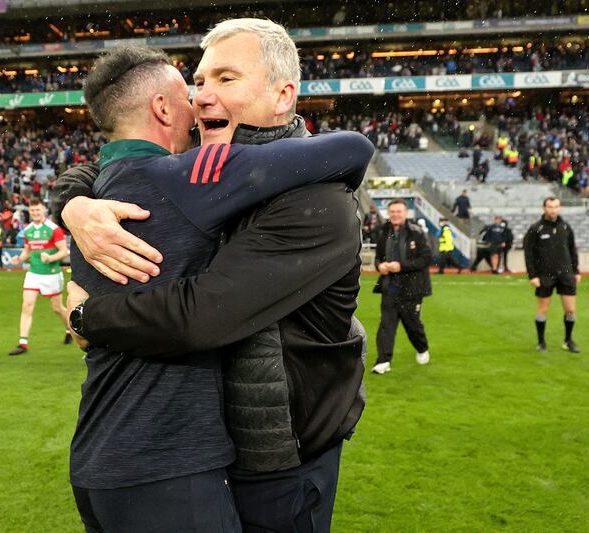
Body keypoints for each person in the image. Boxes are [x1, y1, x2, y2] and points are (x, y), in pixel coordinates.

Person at [56, 21, 370, 532]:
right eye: (199, 82)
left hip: (277, 464)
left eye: (225, 79)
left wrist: (86, 314)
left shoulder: (319, 202)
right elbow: (118, 163)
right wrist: (74, 204)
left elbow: (202, 315)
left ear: (282, 94)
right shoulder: (195, 172)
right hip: (201, 457)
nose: (202, 98)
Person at [371, 199, 432, 374]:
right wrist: (379, 266)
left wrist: (402, 266)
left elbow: (426, 258)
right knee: (386, 324)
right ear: (388, 213)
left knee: (412, 324)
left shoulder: (417, 233)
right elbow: (378, 257)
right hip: (390, 286)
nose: (395, 215)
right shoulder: (383, 232)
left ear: (405, 213)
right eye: (392, 212)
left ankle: (422, 348)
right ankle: (383, 361)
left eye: (399, 211)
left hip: (412, 288)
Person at [7, 199, 72, 356]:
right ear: (29, 212)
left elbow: (64, 251)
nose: (35, 213)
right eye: (32, 211)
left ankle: (70, 329)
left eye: (38, 210)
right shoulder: (28, 230)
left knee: (57, 308)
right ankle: (23, 343)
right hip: (33, 273)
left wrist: (50, 258)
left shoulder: (53, 229)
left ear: (44, 211)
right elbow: (27, 251)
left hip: (51, 274)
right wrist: (19, 259)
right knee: (27, 306)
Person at [523, 197, 580, 353]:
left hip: (566, 274)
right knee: (543, 309)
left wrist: (576, 271)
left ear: (560, 208)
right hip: (545, 276)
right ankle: (541, 342)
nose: (553, 210)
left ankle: (568, 341)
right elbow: (529, 254)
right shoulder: (536, 228)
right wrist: (532, 275)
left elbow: (572, 250)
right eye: (550, 207)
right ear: (544, 208)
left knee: (570, 310)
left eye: (556, 207)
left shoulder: (566, 227)